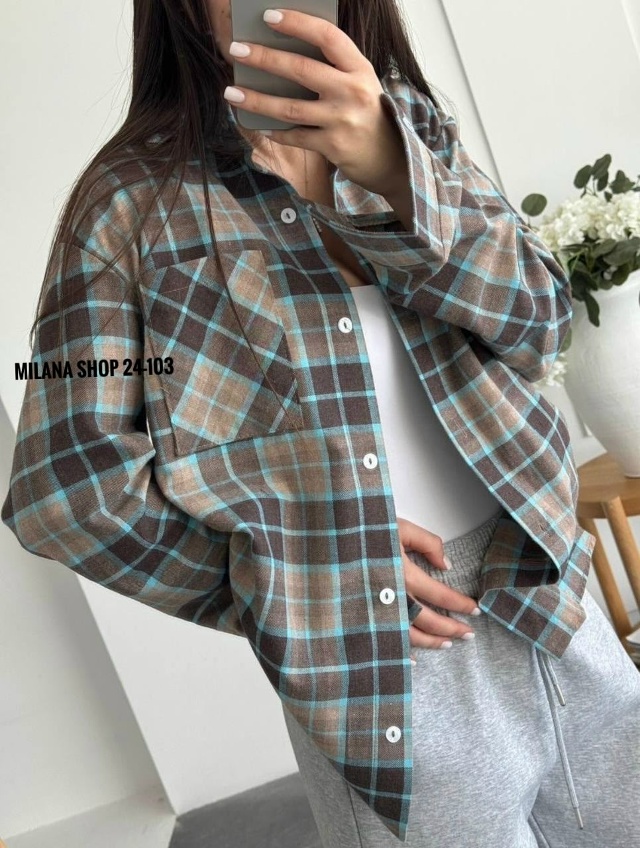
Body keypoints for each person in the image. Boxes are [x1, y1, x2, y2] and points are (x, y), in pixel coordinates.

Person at [2, 2, 639, 846]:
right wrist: (317, 571)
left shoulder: (410, 126)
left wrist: (396, 172)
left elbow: (542, 323)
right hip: (386, 674)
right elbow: (65, 490)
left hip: (553, 593)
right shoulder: (126, 208)